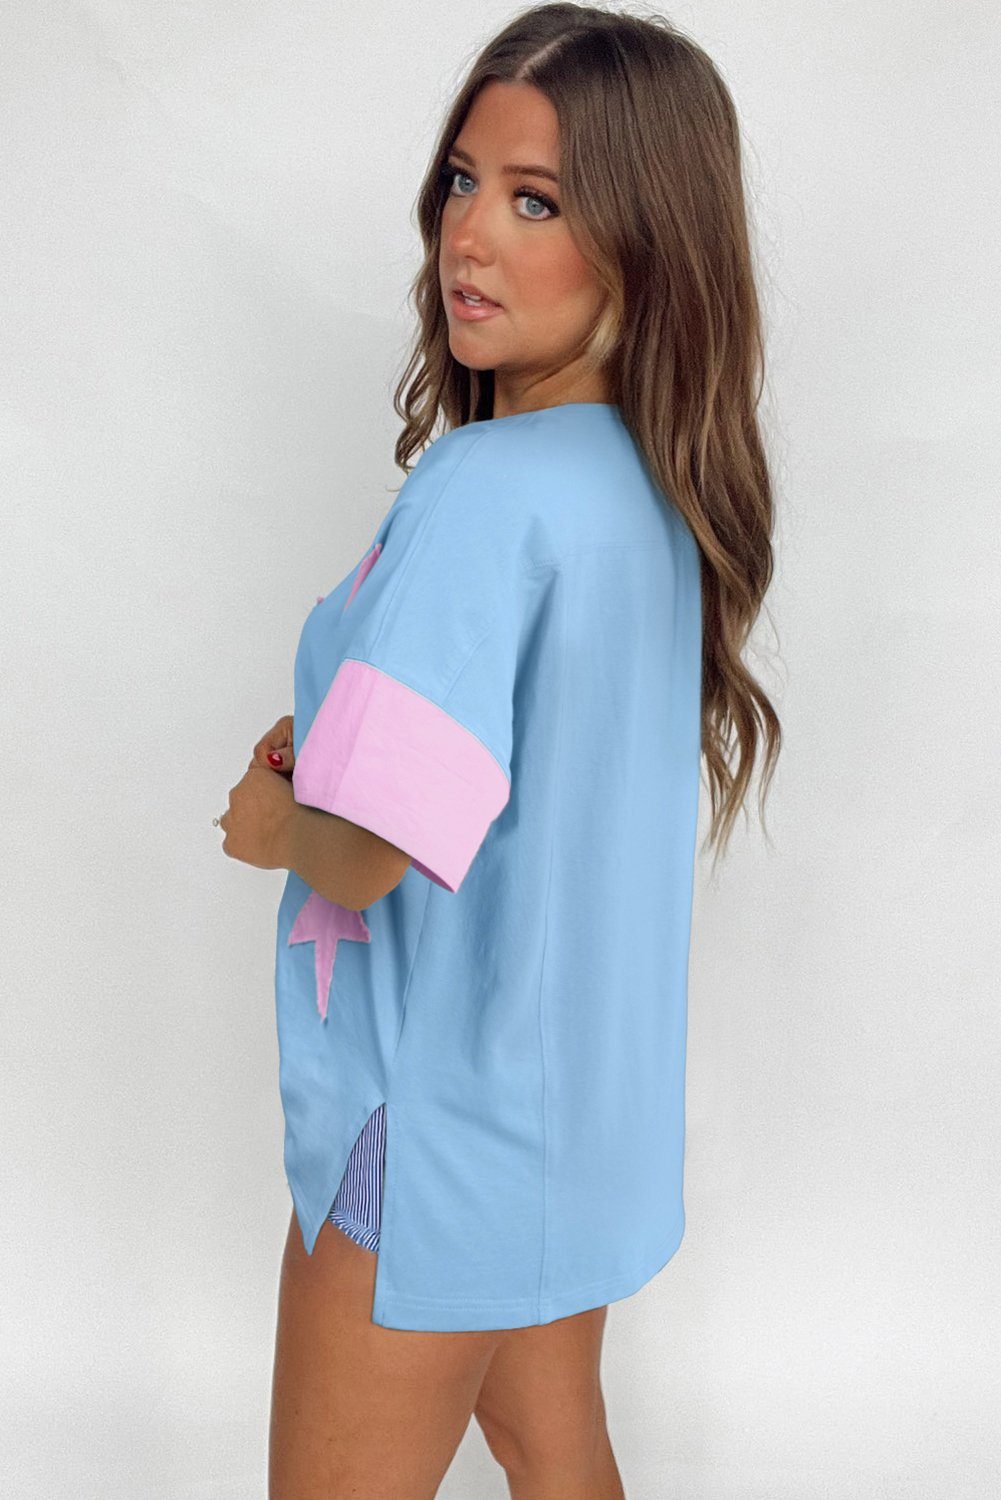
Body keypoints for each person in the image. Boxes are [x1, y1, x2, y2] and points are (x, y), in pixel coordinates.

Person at [217, 5, 781, 1496]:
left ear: (645, 245)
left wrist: (270, 828)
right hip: (569, 1121)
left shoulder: (481, 493)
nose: (468, 234)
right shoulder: (651, 491)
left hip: (433, 1131)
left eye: (537, 202)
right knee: (555, 1450)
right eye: (463, 182)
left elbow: (372, 857)